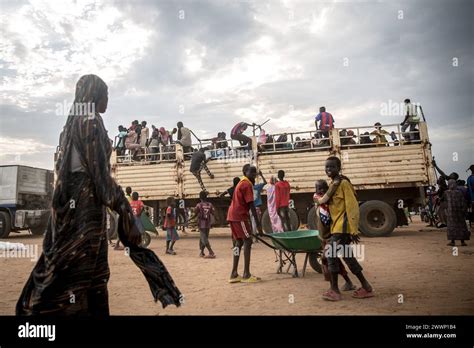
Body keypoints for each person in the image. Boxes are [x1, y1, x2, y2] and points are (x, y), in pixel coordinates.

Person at [16, 75, 181, 316]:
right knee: (83, 272)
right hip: (85, 207)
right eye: (105, 94)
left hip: (76, 207)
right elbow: (99, 176)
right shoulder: (90, 121)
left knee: (83, 270)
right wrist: (123, 209)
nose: (107, 100)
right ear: (94, 95)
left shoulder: (73, 122)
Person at [322, 156, 374, 301]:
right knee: (348, 258)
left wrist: (353, 230)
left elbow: (352, 207)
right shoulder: (333, 184)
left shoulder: (344, 184)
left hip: (343, 229)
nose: (328, 169)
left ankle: (334, 290)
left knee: (331, 256)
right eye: (326, 167)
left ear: (339, 168)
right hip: (336, 228)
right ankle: (366, 287)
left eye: (332, 167)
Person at [314, 179, 356, 292]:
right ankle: (344, 284)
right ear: (315, 190)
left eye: (324, 188)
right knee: (332, 261)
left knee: (333, 261)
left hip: (331, 237)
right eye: (319, 188)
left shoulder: (331, 203)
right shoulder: (318, 199)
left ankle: (337, 287)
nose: (321, 190)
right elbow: (323, 200)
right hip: (324, 238)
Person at [227, 164, 262, 283]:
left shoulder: (242, 182)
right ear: (244, 172)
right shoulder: (247, 184)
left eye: (254, 173)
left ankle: (234, 273)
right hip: (239, 216)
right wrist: (258, 225)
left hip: (233, 215)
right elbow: (252, 205)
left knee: (239, 243)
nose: (253, 175)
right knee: (248, 240)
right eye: (251, 172)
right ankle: (246, 274)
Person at [445, 179, 470, 246]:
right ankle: (462, 242)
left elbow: (445, 203)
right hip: (459, 213)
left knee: (452, 227)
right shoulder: (459, 193)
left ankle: (452, 241)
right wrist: (464, 211)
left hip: (451, 213)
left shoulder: (447, 193)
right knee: (461, 226)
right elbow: (463, 202)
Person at [195, 191, 216, 258]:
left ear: (200, 197)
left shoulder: (198, 205)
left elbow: (195, 212)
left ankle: (211, 252)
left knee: (203, 238)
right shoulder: (210, 204)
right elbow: (213, 212)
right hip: (208, 223)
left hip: (201, 224)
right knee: (204, 238)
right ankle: (202, 252)